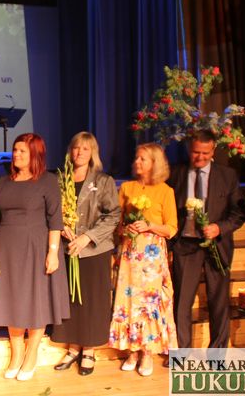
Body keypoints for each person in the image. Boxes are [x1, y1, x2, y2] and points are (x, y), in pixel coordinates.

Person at [0, 133, 69, 381]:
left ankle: (32, 353)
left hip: (35, 246)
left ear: (35, 154)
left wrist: (53, 252)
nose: (16, 154)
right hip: (6, 246)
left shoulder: (47, 181)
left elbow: (55, 220)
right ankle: (16, 354)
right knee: (12, 299)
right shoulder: (4, 181)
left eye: (22, 151)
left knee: (35, 300)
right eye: (15, 150)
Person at [51, 132, 120, 376]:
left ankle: (88, 350)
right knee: (70, 299)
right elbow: (52, 210)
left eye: (85, 149)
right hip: (67, 248)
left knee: (91, 301)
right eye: (76, 148)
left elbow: (113, 215)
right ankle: (72, 348)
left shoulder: (103, 180)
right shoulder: (60, 180)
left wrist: (87, 237)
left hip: (93, 250)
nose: (79, 152)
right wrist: (62, 227)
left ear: (93, 153)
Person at [168, 129, 244, 350]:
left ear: (213, 150)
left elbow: (238, 213)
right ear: (188, 149)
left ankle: (217, 355)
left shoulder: (227, 176)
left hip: (217, 247)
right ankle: (181, 352)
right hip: (185, 245)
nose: (200, 157)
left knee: (218, 301)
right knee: (182, 302)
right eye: (195, 152)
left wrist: (219, 228)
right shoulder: (176, 173)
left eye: (205, 153)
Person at [109, 143, 177, 376]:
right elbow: (116, 223)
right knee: (129, 301)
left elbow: (172, 228)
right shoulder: (127, 188)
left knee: (148, 304)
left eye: (143, 159)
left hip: (151, 256)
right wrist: (124, 229)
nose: (137, 162)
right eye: (136, 158)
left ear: (155, 163)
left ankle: (147, 352)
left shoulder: (165, 191)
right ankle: (132, 350)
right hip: (129, 253)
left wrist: (150, 226)